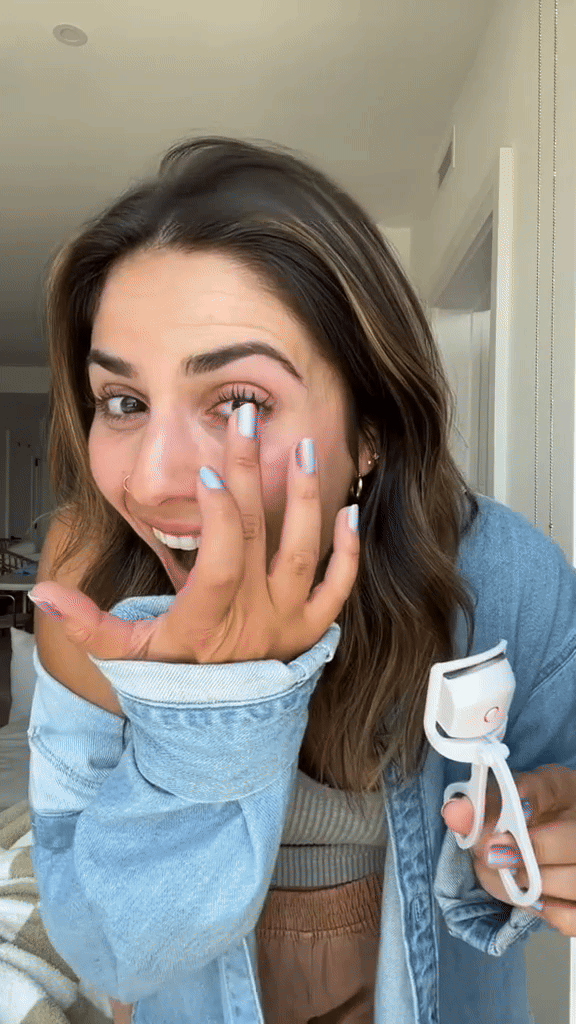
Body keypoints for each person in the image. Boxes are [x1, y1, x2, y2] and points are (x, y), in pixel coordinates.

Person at [21, 136, 576, 1024]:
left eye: (240, 403)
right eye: (123, 403)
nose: (153, 479)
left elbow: (552, 793)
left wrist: (543, 836)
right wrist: (211, 716)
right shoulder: (90, 586)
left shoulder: (509, 578)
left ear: (371, 431)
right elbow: (110, 950)